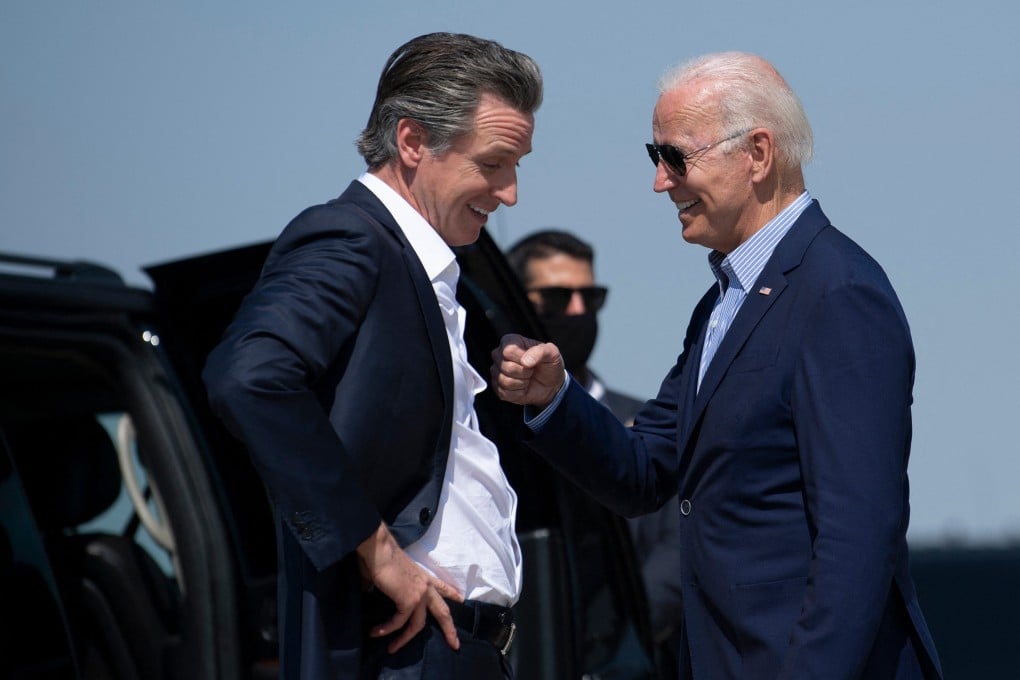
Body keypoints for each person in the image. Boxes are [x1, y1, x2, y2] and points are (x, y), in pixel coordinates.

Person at [491, 52, 943, 679]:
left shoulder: (838, 295)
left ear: (757, 154)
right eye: (655, 157)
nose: (659, 181)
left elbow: (859, 538)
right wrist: (555, 399)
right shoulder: (724, 303)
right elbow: (645, 470)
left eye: (675, 156)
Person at [202, 32, 541, 679]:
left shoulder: (423, 266)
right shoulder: (353, 237)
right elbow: (248, 374)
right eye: (495, 163)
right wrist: (375, 547)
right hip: (403, 653)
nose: (510, 192)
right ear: (412, 142)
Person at [506, 229, 683, 677]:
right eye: (558, 296)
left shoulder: (648, 423)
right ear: (519, 302)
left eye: (592, 296)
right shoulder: (489, 428)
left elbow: (679, 543)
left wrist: (617, 630)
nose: (579, 311)